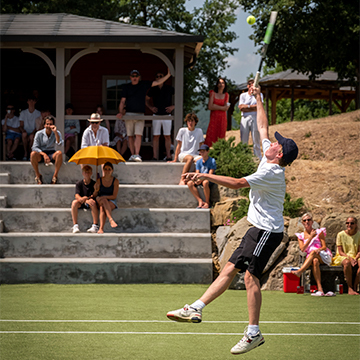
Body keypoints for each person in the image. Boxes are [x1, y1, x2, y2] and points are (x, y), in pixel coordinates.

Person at [166, 83, 299, 355]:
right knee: (228, 269)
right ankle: (196, 308)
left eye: (276, 143)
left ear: (280, 153)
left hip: (267, 232)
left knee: (250, 277)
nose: (272, 142)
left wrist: (205, 175)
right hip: (256, 229)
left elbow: (238, 183)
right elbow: (262, 126)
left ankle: (253, 333)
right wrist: (259, 98)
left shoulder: (271, 173)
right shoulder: (268, 158)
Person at [116, 68, 172, 162]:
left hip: (140, 114)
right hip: (129, 114)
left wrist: (168, 75)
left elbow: (157, 82)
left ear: (139, 77)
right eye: (133, 76)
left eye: (136, 76)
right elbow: (122, 101)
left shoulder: (143, 85)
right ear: (130, 77)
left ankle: (137, 154)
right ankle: (132, 154)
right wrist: (121, 112)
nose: (134, 78)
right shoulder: (126, 87)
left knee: (138, 135)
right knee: (130, 136)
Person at [291, 213, 333, 297]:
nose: (307, 222)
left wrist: (319, 249)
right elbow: (302, 249)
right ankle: (320, 289)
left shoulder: (319, 232)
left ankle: (300, 271)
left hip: (323, 256)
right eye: (305, 220)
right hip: (311, 258)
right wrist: (311, 237)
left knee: (313, 253)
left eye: (309, 220)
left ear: (312, 221)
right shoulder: (301, 236)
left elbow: (324, 246)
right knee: (315, 260)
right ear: (302, 223)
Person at [145, 71, 174, 161]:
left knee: (167, 136)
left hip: (167, 115)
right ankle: (155, 156)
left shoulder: (169, 88)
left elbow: (180, 98)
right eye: (157, 76)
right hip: (156, 115)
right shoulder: (152, 89)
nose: (159, 77)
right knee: (156, 136)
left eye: (160, 76)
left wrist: (173, 106)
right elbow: (146, 99)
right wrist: (150, 107)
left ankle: (169, 156)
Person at [169, 113, 204, 185]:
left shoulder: (199, 131)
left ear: (195, 122)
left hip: (195, 155)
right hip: (184, 154)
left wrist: (203, 154)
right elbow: (179, 145)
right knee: (190, 158)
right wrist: (175, 159)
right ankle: (182, 179)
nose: (190, 123)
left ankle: (194, 179)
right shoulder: (182, 130)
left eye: (192, 121)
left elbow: (201, 145)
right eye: (188, 121)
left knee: (201, 160)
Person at [30, 116, 63, 184]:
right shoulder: (39, 133)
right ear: (44, 125)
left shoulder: (57, 133)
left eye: (51, 124)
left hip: (52, 153)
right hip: (41, 153)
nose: (49, 126)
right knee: (32, 154)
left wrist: (55, 133)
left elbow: (59, 144)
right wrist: (44, 154)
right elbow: (34, 147)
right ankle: (38, 175)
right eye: (47, 124)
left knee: (59, 153)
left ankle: (55, 176)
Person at [332, 217, 360, 295]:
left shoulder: (359, 234)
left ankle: (355, 286)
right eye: (347, 223)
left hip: (356, 256)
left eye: (352, 223)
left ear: (356, 224)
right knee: (347, 263)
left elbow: (359, 251)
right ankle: (349, 287)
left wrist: (355, 258)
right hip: (343, 256)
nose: (349, 225)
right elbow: (340, 252)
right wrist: (350, 258)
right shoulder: (340, 234)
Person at [238, 78, 264, 161]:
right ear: (247, 86)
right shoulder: (243, 95)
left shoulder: (259, 95)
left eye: (253, 84)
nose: (251, 86)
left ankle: (257, 157)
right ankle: (243, 157)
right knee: (244, 139)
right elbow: (241, 108)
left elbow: (259, 107)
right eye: (249, 84)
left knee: (256, 138)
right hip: (245, 118)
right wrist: (251, 107)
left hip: (255, 117)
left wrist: (247, 107)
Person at [186, 144, 216, 209]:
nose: (201, 153)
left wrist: (201, 180)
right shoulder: (199, 162)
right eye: (201, 151)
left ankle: (207, 202)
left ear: (207, 151)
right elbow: (197, 172)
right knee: (189, 183)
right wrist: (196, 179)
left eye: (203, 151)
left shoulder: (212, 161)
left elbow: (210, 174)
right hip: (200, 178)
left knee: (205, 182)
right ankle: (200, 200)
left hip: (208, 179)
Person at [92, 162, 119, 234]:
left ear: (112, 170)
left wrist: (104, 197)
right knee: (103, 201)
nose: (107, 171)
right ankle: (111, 219)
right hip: (100, 199)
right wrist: (96, 190)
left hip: (111, 200)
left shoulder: (115, 181)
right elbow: (94, 195)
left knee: (102, 207)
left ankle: (101, 228)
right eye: (106, 169)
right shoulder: (99, 180)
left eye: (109, 169)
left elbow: (114, 196)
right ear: (103, 170)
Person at [71, 165, 99, 234]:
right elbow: (76, 195)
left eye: (89, 172)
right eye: (85, 172)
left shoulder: (94, 183)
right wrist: (82, 199)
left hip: (89, 201)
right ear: (82, 173)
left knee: (93, 203)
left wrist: (96, 190)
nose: (87, 174)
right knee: (74, 203)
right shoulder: (79, 183)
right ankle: (75, 225)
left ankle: (95, 225)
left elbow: (94, 196)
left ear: (91, 173)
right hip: (81, 201)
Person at [204, 78, 230, 147]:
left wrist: (215, 106)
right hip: (214, 117)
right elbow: (210, 106)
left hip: (222, 118)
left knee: (221, 134)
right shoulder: (213, 93)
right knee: (212, 133)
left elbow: (226, 108)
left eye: (223, 83)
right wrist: (221, 107)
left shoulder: (226, 95)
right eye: (220, 83)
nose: (221, 84)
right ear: (217, 85)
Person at [19, 95, 41, 160]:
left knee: (32, 137)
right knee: (24, 134)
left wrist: (32, 132)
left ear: (35, 102)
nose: (31, 102)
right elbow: (21, 125)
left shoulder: (38, 113)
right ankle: (25, 153)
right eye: (30, 100)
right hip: (25, 131)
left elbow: (37, 126)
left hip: (33, 131)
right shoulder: (23, 113)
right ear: (27, 102)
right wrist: (23, 130)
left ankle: (30, 152)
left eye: (33, 100)